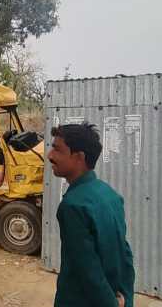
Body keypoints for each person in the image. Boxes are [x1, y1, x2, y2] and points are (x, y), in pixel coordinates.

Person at [48, 123, 135, 307]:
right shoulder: (110, 195)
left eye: (57, 150)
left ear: (79, 157)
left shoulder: (73, 206)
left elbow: (87, 270)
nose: (50, 156)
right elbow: (125, 254)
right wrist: (125, 299)